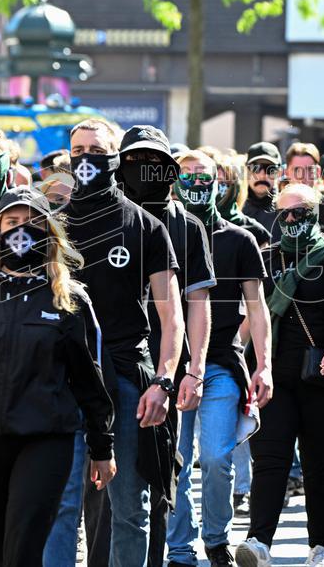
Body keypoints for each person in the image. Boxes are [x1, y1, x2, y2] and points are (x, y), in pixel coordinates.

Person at [0, 186, 115, 565]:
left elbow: (88, 377)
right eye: (11, 222)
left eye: (32, 224)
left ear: (48, 233)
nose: (20, 231)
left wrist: (101, 446)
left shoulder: (68, 298)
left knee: (24, 543)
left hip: (45, 437)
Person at [61, 119, 185, 567]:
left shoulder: (147, 227)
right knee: (59, 507)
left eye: (96, 149)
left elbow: (173, 317)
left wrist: (165, 381)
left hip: (128, 378)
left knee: (129, 508)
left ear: (114, 158)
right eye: (77, 150)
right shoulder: (51, 226)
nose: (85, 159)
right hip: (61, 380)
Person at [235, 182, 324, 567]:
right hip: (274, 374)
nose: (292, 220)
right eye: (285, 214)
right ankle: (259, 542)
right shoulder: (265, 258)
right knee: (269, 459)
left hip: (323, 373)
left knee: (320, 463)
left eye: (301, 213)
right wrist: (233, 360)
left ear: (316, 216)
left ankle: (320, 546)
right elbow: (250, 319)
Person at [166, 150, 273, 567]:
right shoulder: (162, 233)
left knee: (214, 457)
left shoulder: (239, 239)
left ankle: (215, 539)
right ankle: (179, 547)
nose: (196, 182)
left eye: (204, 175)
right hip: (172, 366)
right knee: (174, 461)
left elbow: (258, 306)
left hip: (222, 363)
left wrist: (262, 364)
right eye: (187, 174)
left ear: (221, 183)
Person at [116, 126, 215, 567]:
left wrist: (192, 370)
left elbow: (198, 305)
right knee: (108, 489)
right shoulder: (105, 215)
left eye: (153, 160)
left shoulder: (187, 225)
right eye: (134, 161)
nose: (144, 170)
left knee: (158, 477)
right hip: (113, 363)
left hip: (165, 369)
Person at [284, 143, 324, 238]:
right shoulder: (273, 209)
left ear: (318, 172)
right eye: (297, 170)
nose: (302, 177)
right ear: (287, 173)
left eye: (309, 170)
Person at [215, 154, 271, 247]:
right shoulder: (199, 224)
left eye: (224, 183)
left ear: (236, 188)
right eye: (214, 181)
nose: (217, 187)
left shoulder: (255, 230)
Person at [242, 142, 282, 236]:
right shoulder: (234, 208)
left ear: (279, 173)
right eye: (255, 168)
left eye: (270, 169)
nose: (262, 175)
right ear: (246, 171)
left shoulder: (288, 211)